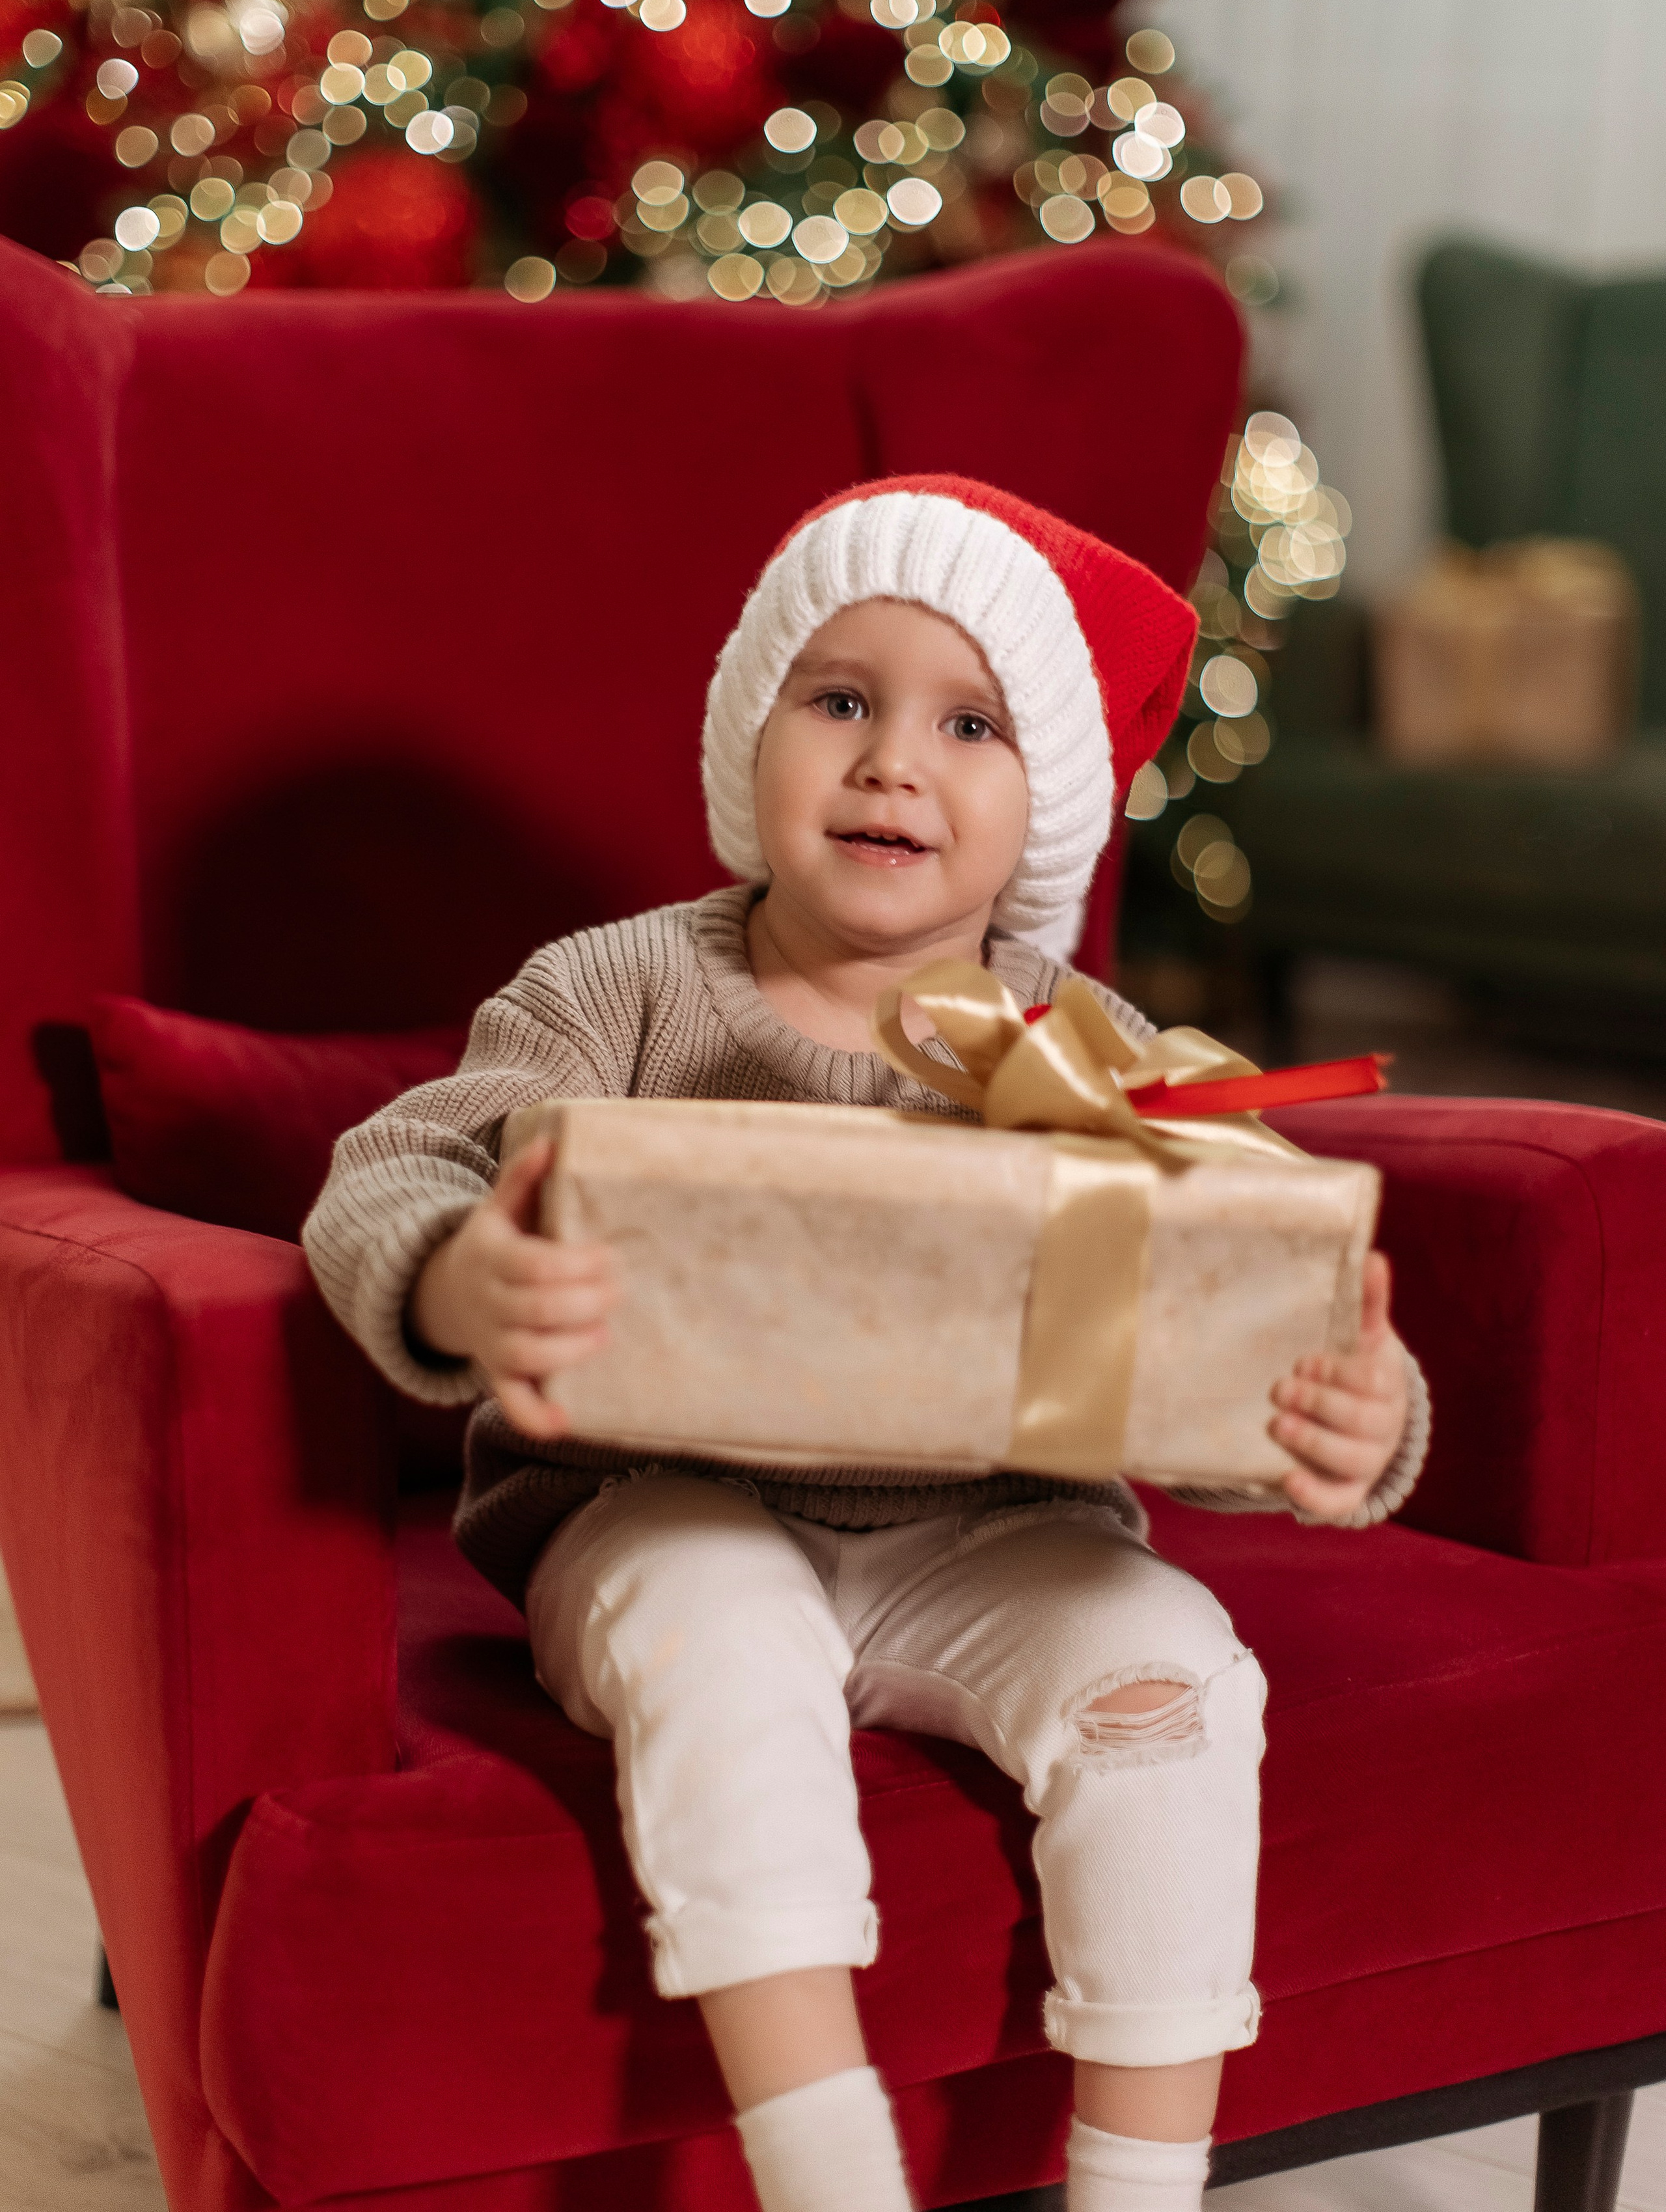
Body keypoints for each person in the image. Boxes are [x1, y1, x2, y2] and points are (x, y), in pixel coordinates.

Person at [305, 475, 1429, 2212]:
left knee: (1174, 1676)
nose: (893, 760)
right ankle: (827, 2174)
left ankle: (1143, 2188)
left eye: (970, 723)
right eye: (840, 699)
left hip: (1000, 1526)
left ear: (1043, 798)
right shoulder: (619, 988)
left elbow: (1258, 1274)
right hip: (655, 1497)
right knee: (722, 1635)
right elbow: (395, 1167)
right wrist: (461, 1278)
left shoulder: (1096, 1050)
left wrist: (1356, 1413)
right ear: (754, 735)